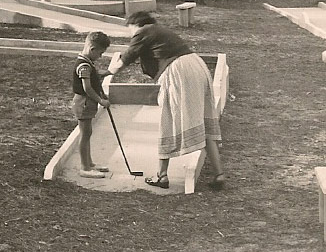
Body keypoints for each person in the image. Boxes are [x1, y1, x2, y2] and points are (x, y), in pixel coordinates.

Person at [108, 11, 225, 189]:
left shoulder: (144, 31)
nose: (130, 34)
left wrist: (108, 72)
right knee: (203, 120)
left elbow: (128, 57)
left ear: (136, 24)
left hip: (179, 71)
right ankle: (219, 175)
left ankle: (161, 176)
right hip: (196, 66)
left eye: (129, 28)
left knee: (168, 117)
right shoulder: (158, 31)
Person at [72, 32, 112, 179]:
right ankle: (84, 168)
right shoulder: (84, 66)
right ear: (92, 49)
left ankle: (89, 163)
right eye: (100, 53)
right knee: (85, 134)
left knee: (87, 133)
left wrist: (100, 74)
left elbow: (91, 78)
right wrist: (101, 101)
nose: (100, 56)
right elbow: (87, 88)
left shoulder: (87, 62)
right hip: (83, 103)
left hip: (87, 102)